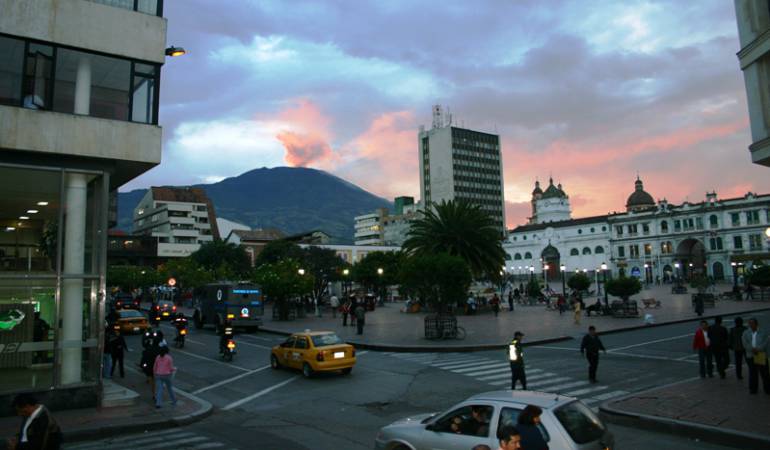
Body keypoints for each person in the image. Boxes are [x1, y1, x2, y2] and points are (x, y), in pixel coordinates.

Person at [741, 317, 769, 394]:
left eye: (752, 323)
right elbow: (744, 342)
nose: (751, 325)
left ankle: (767, 389)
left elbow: (766, 342)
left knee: (764, 373)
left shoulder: (763, 332)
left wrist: (758, 349)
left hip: (761, 354)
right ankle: (753, 389)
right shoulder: (746, 333)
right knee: (753, 373)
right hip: (751, 355)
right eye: (750, 323)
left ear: (756, 324)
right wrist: (751, 349)